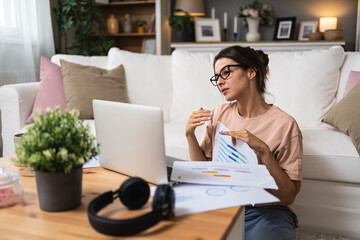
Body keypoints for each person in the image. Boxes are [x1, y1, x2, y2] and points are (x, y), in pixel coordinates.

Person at [185, 45, 303, 240]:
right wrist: (190, 134)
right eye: (217, 77)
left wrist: (264, 151)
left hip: (266, 212)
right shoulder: (219, 113)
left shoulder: (285, 124)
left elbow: (288, 196)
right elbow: (204, 174)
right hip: (222, 204)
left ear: (251, 72)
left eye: (226, 73)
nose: (220, 82)